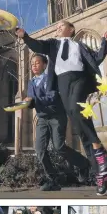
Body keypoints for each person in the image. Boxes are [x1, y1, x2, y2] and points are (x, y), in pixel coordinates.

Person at [15, 21, 107, 195]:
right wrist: (25, 37)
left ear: (71, 29)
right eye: (57, 27)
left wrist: (105, 43)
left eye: (61, 26)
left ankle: (98, 147)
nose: (58, 29)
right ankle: (100, 175)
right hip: (63, 83)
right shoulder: (53, 44)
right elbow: (38, 45)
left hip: (79, 79)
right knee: (81, 128)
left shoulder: (79, 45)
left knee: (75, 109)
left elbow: (97, 58)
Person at [24, 53, 90, 191]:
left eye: (37, 63)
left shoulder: (51, 78)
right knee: (40, 150)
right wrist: (25, 103)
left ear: (44, 64)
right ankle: (53, 180)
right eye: (32, 64)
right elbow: (31, 101)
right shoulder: (31, 82)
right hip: (42, 118)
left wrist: (35, 101)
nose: (34, 66)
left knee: (59, 147)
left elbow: (53, 96)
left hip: (56, 116)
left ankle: (84, 164)